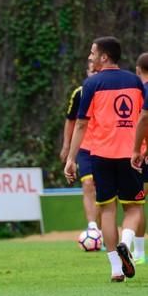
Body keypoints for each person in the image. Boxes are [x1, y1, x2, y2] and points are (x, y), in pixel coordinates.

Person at [65, 36, 144, 283]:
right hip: (130, 154)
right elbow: (144, 117)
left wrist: (71, 158)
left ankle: (116, 269)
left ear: (104, 57)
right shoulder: (135, 81)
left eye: (92, 53)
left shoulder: (92, 84)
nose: (90, 57)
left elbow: (81, 123)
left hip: (100, 155)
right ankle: (126, 242)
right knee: (133, 208)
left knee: (107, 210)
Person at [60, 60, 100, 233]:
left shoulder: (109, 91)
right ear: (87, 73)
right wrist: (66, 146)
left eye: (96, 71)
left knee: (104, 189)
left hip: (105, 146)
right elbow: (71, 121)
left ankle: (103, 229)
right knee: (88, 184)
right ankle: (92, 228)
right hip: (85, 147)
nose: (93, 74)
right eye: (90, 71)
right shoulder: (79, 93)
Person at [132, 52, 148, 264]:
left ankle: (140, 253)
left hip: (143, 154)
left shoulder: (144, 91)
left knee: (138, 203)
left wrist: (138, 149)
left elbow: (144, 118)